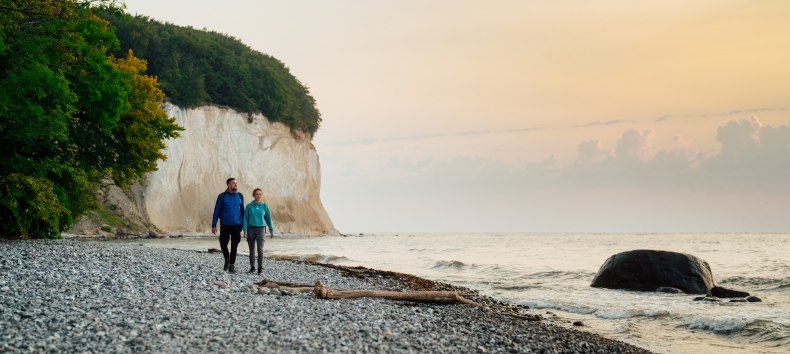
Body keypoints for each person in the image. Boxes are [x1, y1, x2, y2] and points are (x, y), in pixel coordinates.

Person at [211, 178, 245, 273]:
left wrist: (244, 225)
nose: (235, 185)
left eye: (236, 183)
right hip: (225, 224)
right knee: (223, 244)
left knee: (234, 246)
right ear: (228, 185)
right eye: (233, 183)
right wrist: (214, 225)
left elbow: (243, 211)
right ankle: (227, 258)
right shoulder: (222, 196)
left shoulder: (240, 196)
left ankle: (232, 265)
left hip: (237, 225)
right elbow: (216, 211)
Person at [243, 188, 274, 274]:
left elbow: (268, 218)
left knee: (260, 249)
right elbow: (245, 219)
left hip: (261, 229)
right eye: (257, 194)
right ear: (254, 195)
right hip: (250, 229)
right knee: (252, 249)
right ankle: (252, 267)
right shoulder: (249, 206)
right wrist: (245, 230)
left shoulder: (265, 206)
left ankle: (260, 268)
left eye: (260, 194)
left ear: (262, 195)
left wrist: (271, 229)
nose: (258, 195)